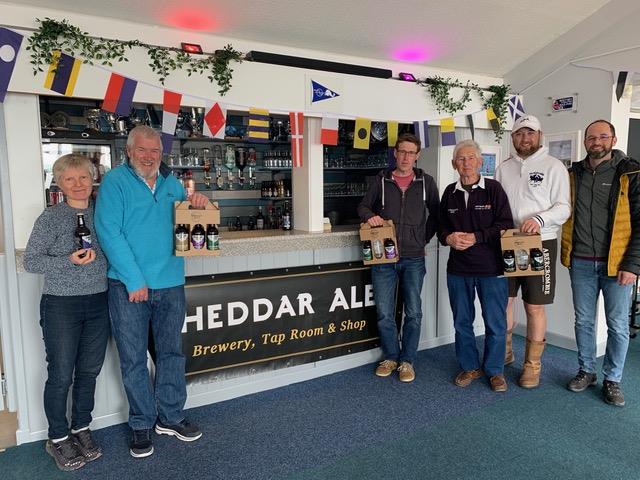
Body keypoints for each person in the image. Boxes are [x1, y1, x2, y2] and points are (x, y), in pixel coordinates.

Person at [95, 126, 208, 458]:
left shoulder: (172, 183)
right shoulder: (115, 182)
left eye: (154, 151)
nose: (148, 157)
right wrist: (134, 280)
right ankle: (141, 423)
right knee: (133, 360)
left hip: (170, 282)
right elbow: (108, 233)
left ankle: (171, 417)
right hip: (129, 287)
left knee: (171, 354)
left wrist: (198, 201)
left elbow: (187, 220)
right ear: (129, 151)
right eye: (142, 150)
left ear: (162, 154)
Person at [24, 154, 109, 471]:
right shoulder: (50, 218)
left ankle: (80, 428)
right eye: (70, 179)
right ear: (58, 183)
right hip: (61, 303)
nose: (78, 184)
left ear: (92, 179)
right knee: (61, 375)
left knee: (89, 371)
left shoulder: (103, 214)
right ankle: (57, 437)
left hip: (99, 300)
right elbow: (31, 261)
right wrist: (67, 261)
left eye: (83, 177)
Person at [561, 120, 640, 407]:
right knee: (583, 321)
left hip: (618, 264)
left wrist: (633, 264)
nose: (597, 142)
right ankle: (586, 371)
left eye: (603, 136)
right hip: (581, 261)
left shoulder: (631, 172)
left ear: (613, 139)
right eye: (591, 137)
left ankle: (613, 379)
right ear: (585, 142)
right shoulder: (573, 174)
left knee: (618, 325)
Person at [494, 115, 570, 388]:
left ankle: (532, 366)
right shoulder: (504, 168)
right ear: (512, 138)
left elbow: (564, 208)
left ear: (539, 135)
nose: (524, 139)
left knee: (534, 305)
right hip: (508, 241)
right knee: (505, 301)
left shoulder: (554, 166)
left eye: (529, 133)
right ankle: (503, 352)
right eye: (519, 134)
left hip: (541, 242)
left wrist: (539, 220)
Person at [357, 132, 439, 382]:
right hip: (383, 257)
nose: (405, 157)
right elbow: (362, 207)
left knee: (413, 312)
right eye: (402, 151)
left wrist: (421, 239)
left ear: (417, 156)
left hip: (414, 257)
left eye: (410, 153)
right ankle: (391, 356)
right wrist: (369, 216)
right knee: (384, 312)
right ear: (395, 153)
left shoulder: (427, 182)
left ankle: (407, 361)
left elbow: (436, 215)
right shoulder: (380, 181)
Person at [438, 140, 513, 392]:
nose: (466, 163)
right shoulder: (449, 192)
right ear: (453, 164)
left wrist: (476, 237)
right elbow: (440, 227)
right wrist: (448, 237)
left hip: (491, 270)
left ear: (480, 162)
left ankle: (494, 371)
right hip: (458, 270)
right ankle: (469, 366)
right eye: (461, 159)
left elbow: (505, 225)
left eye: (471, 158)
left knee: (495, 323)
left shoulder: (493, 189)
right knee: (462, 322)